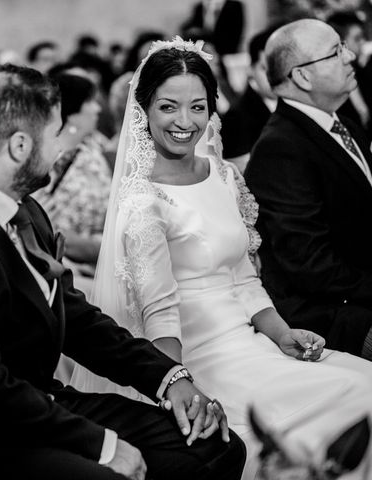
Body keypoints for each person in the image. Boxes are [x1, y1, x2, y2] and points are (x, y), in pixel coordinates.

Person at [0, 63, 246, 480]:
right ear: (20, 146)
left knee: (216, 447)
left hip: (44, 403)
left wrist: (169, 377)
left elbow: (76, 319)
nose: (66, 145)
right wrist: (103, 445)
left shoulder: (23, 208)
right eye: (58, 133)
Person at [69, 37, 372, 480]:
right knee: (350, 403)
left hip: (252, 341)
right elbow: (158, 312)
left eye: (197, 106)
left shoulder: (223, 175)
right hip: (198, 359)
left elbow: (242, 276)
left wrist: (282, 333)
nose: (184, 122)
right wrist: (175, 386)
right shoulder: (144, 201)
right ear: (144, 110)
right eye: (168, 107)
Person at [245, 19, 372, 361]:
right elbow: (310, 264)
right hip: (328, 314)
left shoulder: (341, 123)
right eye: (335, 51)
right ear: (302, 76)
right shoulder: (281, 148)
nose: (350, 56)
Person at [33, 72, 110, 291]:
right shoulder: (49, 159)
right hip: (72, 270)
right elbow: (47, 225)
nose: (98, 108)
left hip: (101, 264)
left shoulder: (94, 149)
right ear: (73, 110)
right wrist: (105, 249)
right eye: (89, 101)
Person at [221, 27, 277, 172]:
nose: (275, 76)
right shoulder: (237, 116)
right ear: (250, 69)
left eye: (280, 67)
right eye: (265, 69)